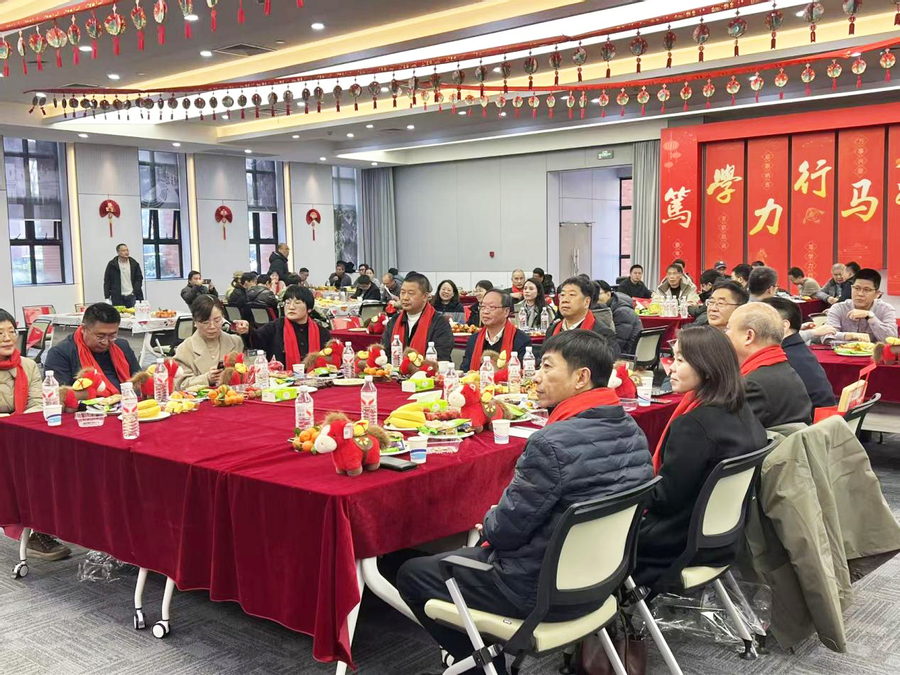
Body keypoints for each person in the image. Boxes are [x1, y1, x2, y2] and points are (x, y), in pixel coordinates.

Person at [397, 330, 653, 675]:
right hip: (604, 583)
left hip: (537, 591)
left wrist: (490, 520)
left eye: (547, 367)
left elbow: (505, 532)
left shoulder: (551, 443)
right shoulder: (633, 430)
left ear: (581, 378)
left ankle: (483, 666)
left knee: (412, 573)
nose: (537, 376)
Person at [635, 326, 767, 589]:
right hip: (721, 537)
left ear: (706, 367)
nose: (670, 368)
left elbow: (664, 499)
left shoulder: (694, 426)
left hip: (675, 543)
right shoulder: (741, 410)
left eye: (680, 360)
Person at [0, 308, 72, 561]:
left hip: (20, 432)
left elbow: (37, 404)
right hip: (7, 434)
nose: (7, 338)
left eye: (11, 331)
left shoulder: (27, 365)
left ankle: (42, 527)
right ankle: (27, 529)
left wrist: (14, 424)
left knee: (55, 459)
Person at [726, 303, 812, 427]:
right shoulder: (783, 368)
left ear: (749, 336)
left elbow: (728, 432)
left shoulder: (753, 384)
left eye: (728, 329)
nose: (725, 335)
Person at [44, 303, 141, 390]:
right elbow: (59, 394)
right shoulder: (60, 353)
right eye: (100, 336)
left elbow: (140, 382)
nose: (105, 342)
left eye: (112, 336)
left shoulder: (122, 346)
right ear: (83, 329)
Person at [763, 298, 836, 409]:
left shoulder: (783, 358)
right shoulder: (797, 349)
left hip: (810, 418)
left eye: (761, 322)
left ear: (784, 326)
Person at [233, 285, 331, 366]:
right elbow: (256, 340)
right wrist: (247, 331)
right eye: (287, 303)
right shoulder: (275, 327)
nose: (291, 307)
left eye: (297, 303)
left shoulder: (322, 332)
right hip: (280, 380)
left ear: (309, 309)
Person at [173, 295, 245, 390]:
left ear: (223, 318)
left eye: (217, 321)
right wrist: (206, 378)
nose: (212, 326)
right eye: (205, 322)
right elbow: (180, 384)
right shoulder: (184, 349)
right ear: (195, 322)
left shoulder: (236, 342)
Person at [381, 273, 454, 360]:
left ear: (425, 296)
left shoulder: (440, 323)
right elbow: (384, 354)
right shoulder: (394, 321)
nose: (405, 298)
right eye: (402, 292)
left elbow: (441, 357)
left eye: (410, 293)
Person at [546, 276, 620, 360]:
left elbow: (611, 365)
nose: (564, 300)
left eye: (572, 295)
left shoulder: (602, 334)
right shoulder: (552, 330)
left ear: (586, 302)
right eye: (562, 295)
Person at [460, 290, 532, 371]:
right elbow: (464, 371)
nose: (485, 311)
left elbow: (523, 373)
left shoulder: (521, 340)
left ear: (506, 311)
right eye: (483, 307)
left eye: (492, 307)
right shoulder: (473, 340)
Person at [825, 268, 898, 343]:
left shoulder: (886, 309)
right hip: (843, 350)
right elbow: (827, 336)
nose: (860, 294)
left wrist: (870, 317)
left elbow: (892, 339)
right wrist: (849, 336)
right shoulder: (838, 308)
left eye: (866, 290)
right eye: (857, 288)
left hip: (873, 351)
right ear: (851, 288)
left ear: (877, 294)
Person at [596, 280, 641, 354]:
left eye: (597, 294)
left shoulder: (622, 312)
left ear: (608, 294)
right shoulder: (610, 307)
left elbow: (618, 343)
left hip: (626, 354)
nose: (594, 297)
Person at [103, 243, 144, 308]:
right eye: (123, 251)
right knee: (118, 313)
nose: (126, 252)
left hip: (132, 295)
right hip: (117, 296)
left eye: (127, 250)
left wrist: (136, 289)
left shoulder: (134, 264)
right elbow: (107, 281)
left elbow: (139, 278)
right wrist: (107, 297)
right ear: (118, 252)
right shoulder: (112, 265)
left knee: (134, 312)